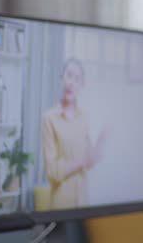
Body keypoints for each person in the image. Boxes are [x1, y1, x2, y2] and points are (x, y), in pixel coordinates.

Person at [42, 59, 107, 210]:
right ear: (61, 79)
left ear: (81, 86)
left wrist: (101, 142)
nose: (71, 82)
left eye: (77, 79)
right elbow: (51, 171)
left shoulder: (84, 116)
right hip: (61, 206)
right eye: (69, 76)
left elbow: (89, 161)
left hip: (83, 203)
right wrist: (82, 161)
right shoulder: (49, 118)